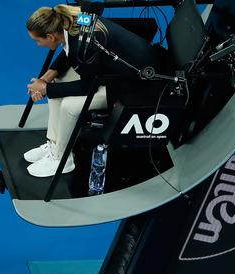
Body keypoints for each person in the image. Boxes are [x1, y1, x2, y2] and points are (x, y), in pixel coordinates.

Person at [24, 4, 160, 177]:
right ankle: (55, 145)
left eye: (37, 40)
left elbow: (88, 87)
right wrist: (47, 79)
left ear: (50, 36)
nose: (37, 44)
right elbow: (69, 53)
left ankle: (62, 160)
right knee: (58, 82)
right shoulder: (73, 19)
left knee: (68, 106)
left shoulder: (83, 47)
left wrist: (46, 88)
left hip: (134, 83)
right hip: (114, 68)